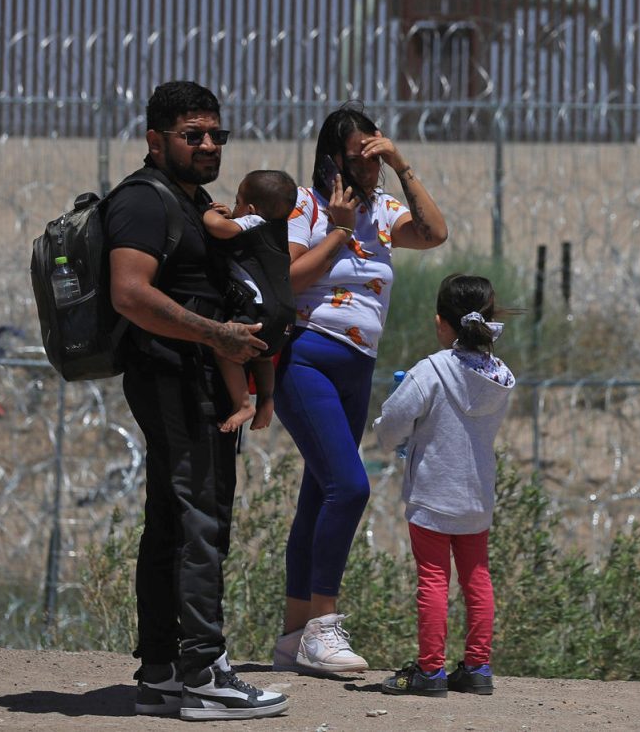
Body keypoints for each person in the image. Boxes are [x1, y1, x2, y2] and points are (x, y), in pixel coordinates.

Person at [105, 80, 288, 721]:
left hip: (197, 378)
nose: (209, 144)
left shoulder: (194, 202)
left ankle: (161, 675)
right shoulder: (142, 202)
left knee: (173, 525)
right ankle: (205, 671)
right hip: (172, 377)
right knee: (201, 522)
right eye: (193, 135)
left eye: (216, 134)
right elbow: (130, 292)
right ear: (156, 141)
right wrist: (218, 335)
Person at [272, 104, 449, 674]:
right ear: (330, 159)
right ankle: (322, 629)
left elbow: (433, 233)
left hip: (357, 367)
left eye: (374, 158)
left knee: (319, 495)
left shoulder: (383, 207)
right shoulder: (305, 204)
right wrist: (340, 228)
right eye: (358, 159)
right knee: (349, 487)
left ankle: (292, 637)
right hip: (307, 356)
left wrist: (402, 164)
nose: (367, 171)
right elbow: (289, 278)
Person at [373, 274, 515, 697]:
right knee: (477, 578)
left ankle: (431, 671)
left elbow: (392, 424)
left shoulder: (429, 371)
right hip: (477, 496)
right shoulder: (502, 377)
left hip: (433, 495)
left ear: (441, 323)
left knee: (433, 579)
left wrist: (398, 440)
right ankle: (477, 667)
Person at [201, 168, 299, 433]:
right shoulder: (276, 229)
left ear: (252, 209)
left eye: (237, 203)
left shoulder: (253, 221)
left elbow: (221, 229)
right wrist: (234, 215)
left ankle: (243, 403)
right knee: (263, 356)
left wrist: (207, 213)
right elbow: (239, 230)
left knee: (226, 347)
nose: (235, 208)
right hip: (284, 314)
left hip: (258, 309)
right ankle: (267, 398)